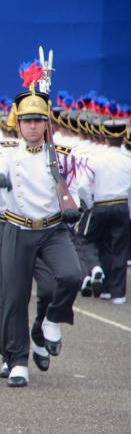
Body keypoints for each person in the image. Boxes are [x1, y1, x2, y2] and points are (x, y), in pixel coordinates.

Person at [0, 84, 84, 387]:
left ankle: (50, 320)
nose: (32, 126)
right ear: (18, 124)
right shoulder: (4, 152)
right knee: (14, 297)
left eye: (38, 120)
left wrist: (75, 208)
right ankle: (17, 360)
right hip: (16, 227)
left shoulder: (62, 154)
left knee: (70, 275)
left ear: (46, 123)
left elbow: (75, 188)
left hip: (52, 229)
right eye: (27, 120)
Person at [75, 118, 131, 304]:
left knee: (91, 241)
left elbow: (82, 186)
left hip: (100, 204)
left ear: (105, 137)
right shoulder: (128, 160)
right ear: (123, 138)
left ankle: (101, 279)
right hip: (122, 205)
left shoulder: (96, 159)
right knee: (119, 249)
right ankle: (118, 294)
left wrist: (90, 203)